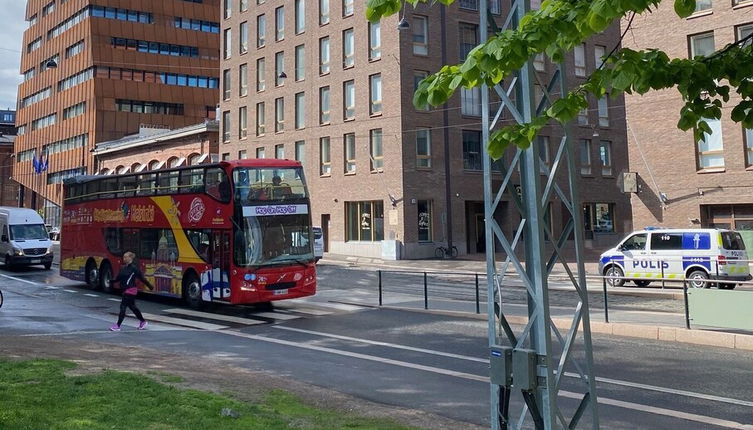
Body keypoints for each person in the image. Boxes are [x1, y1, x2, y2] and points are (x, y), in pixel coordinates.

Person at [109, 251, 153, 331]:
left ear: (130, 258)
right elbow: (118, 278)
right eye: (123, 257)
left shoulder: (134, 268)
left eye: (126, 257)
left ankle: (118, 325)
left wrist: (150, 286)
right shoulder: (123, 268)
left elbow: (142, 278)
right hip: (125, 290)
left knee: (123, 307)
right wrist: (111, 281)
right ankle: (143, 321)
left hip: (131, 290)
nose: (124, 258)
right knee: (133, 307)